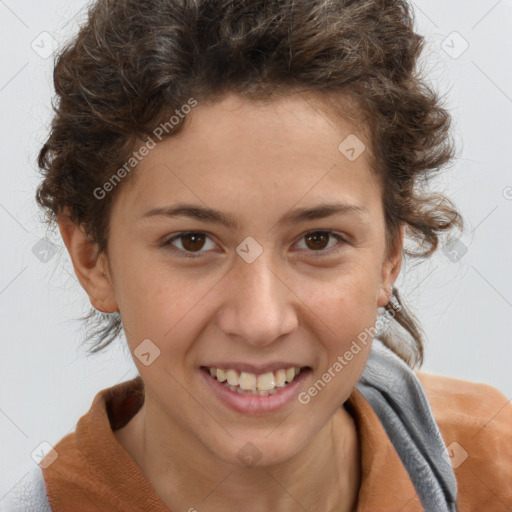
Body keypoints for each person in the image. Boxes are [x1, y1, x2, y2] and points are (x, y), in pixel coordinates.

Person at [3, 0, 510, 511]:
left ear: (390, 255)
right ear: (94, 259)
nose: (261, 321)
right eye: (192, 241)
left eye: (318, 240)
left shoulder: (492, 462)